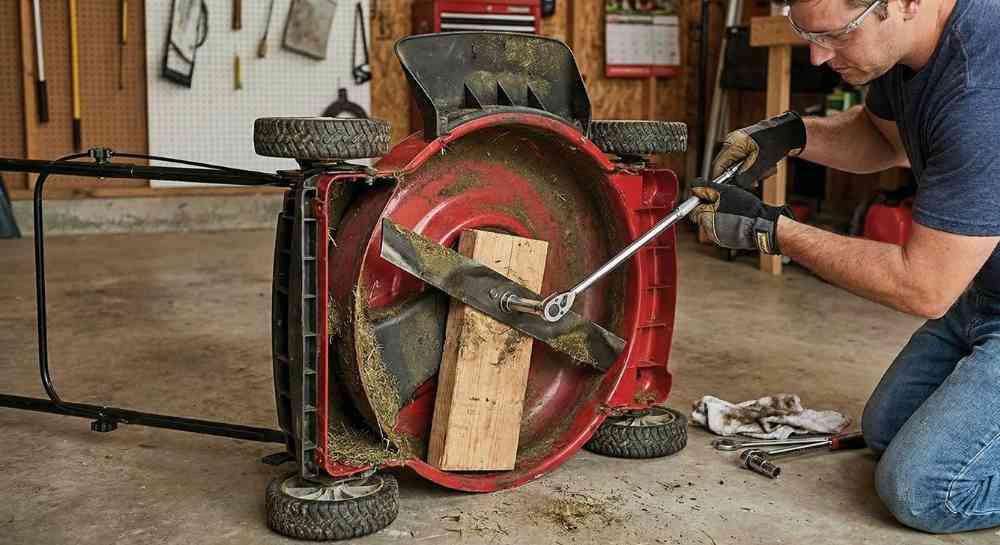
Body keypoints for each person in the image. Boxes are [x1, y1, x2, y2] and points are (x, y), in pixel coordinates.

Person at [688, 0, 1000, 534]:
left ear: (904, 4)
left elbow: (923, 287)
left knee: (924, 489)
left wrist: (773, 229)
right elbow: (888, 142)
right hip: (982, 294)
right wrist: (791, 137)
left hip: (953, 285)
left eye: (836, 35)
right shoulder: (906, 52)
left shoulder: (981, 90)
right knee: (884, 431)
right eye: (807, 34)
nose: (816, 57)